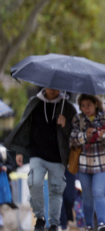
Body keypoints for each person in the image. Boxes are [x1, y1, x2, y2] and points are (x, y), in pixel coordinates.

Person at [5, 88, 77, 231]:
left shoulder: (67, 106)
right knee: (35, 183)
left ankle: (54, 223)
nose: (53, 89)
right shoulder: (35, 102)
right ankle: (39, 218)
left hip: (58, 156)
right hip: (37, 153)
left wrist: (65, 125)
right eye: (50, 86)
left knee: (56, 190)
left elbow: (75, 133)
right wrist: (20, 149)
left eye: (56, 87)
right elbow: (25, 126)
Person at [70, 94, 105, 231]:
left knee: (98, 191)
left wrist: (103, 136)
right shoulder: (77, 119)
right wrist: (86, 135)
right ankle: (89, 225)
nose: (86, 109)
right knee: (87, 195)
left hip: (103, 162)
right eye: (83, 106)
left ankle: (102, 224)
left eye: (89, 105)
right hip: (84, 163)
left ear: (96, 104)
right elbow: (72, 139)